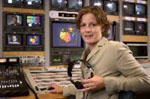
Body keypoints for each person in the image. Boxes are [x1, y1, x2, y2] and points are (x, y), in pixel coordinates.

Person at [48, 6, 150, 99]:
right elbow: (88, 88)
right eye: (83, 25)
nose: (87, 30)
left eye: (93, 25)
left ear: (103, 27)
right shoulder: (86, 53)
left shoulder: (115, 49)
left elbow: (146, 82)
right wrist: (65, 89)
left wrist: (106, 83)